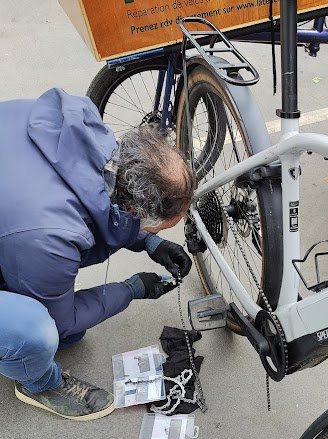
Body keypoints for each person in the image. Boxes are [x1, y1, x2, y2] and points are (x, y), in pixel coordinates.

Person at [0, 87, 196, 420]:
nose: (156, 234)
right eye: (159, 229)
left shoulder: (86, 127)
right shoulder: (51, 235)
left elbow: (105, 204)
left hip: (16, 219)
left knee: (72, 330)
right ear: (136, 210)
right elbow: (62, 322)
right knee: (39, 332)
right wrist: (132, 289)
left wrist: (150, 243)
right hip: (26, 230)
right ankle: (39, 383)